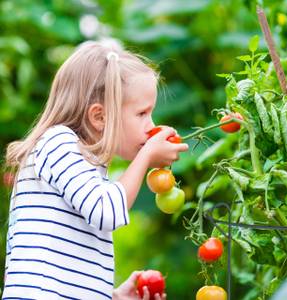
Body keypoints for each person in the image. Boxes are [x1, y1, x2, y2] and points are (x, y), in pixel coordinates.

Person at [2, 40, 188, 299]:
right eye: (142, 113)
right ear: (99, 117)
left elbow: (69, 270)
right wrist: (146, 156)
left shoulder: (87, 166)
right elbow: (106, 211)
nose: (151, 125)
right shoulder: (58, 143)